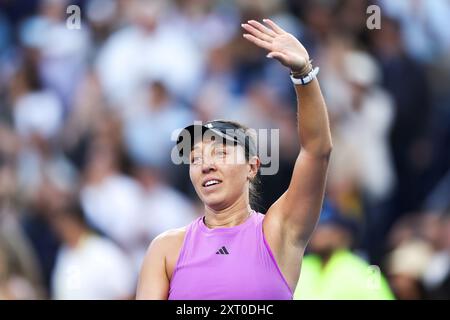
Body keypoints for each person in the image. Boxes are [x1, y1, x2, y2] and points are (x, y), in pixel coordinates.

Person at [136, 18, 332, 300]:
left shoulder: (279, 230)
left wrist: (303, 73)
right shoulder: (166, 249)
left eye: (221, 152)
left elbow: (317, 151)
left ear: (252, 166)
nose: (206, 165)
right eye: (195, 158)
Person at [294, 201, 395, 300]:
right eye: (317, 227)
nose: (319, 232)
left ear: (344, 235)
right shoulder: (300, 267)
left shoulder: (362, 270)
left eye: (328, 227)